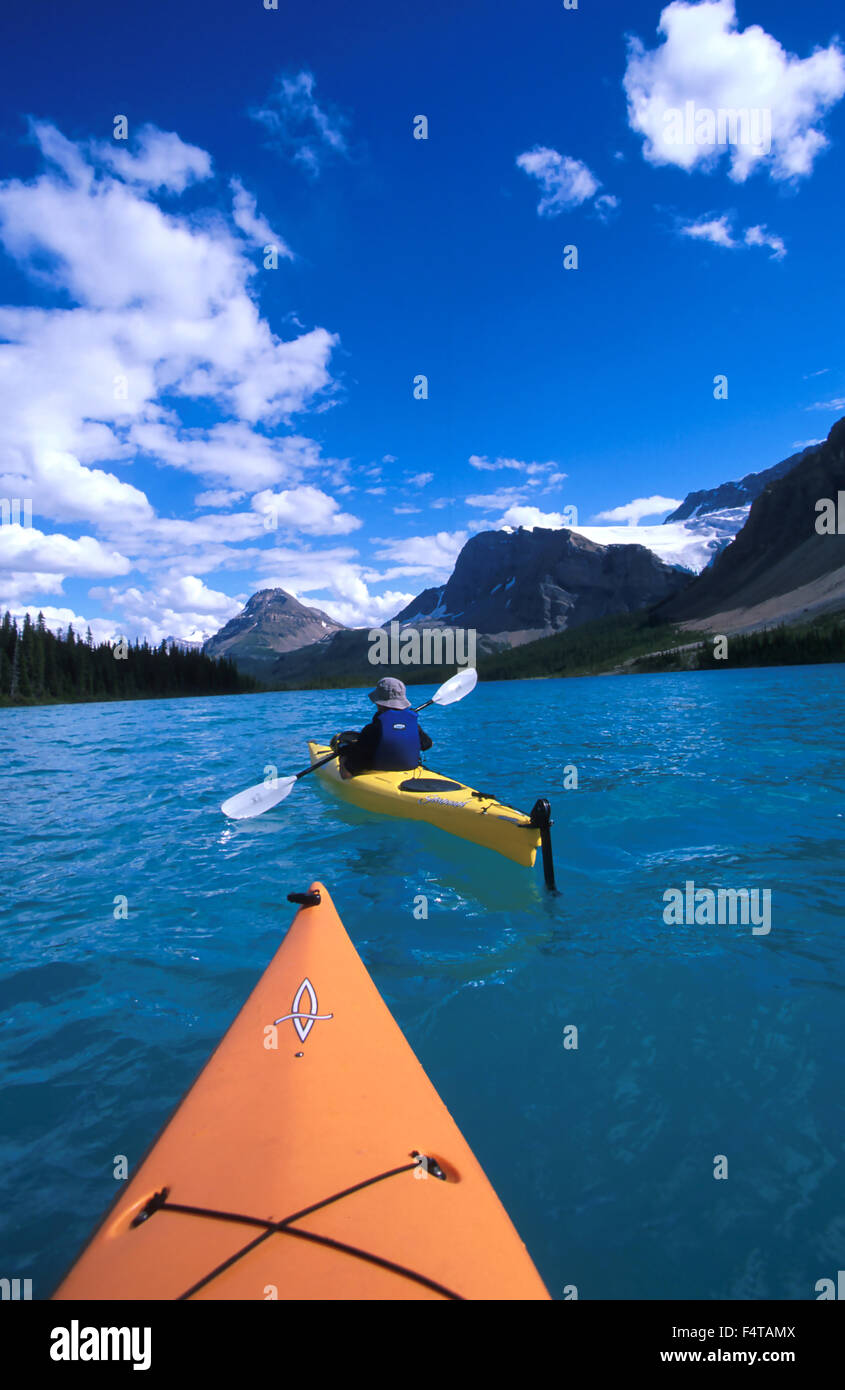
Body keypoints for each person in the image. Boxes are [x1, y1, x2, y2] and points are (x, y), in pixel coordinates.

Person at [331, 677, 432, 778]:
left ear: (378, 703)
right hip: (409, 769)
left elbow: (358, 757)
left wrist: (344, 752)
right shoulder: (414, 725)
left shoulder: (372, 729)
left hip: (378, 768)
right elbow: (427, 744)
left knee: (345, 760)